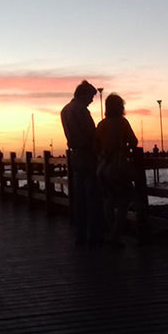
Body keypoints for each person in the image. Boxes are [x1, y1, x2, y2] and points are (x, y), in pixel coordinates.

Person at [61, 80, 103, 246]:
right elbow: (91, 134)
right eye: (91, 96)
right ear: (83, 94)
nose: (92, 100)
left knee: (79, 196)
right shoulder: (81, 110)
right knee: (92, 195)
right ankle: (94, 234)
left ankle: (80, 233)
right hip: (87, 154)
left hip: (74, 155)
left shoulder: (65, 110)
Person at [95, 94, 138, 247]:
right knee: (124, 202)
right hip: (118, 169)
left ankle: (112, 233)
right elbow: (134, 141)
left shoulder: (101, 124)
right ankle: (115, 235)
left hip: (103, 168)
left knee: (108, 200)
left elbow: (96, 145)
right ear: (120, 107)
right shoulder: (122, 123)